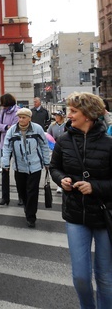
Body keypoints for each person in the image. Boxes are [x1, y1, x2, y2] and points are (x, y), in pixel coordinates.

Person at [50, 92, 112, 308]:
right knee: (81, 277)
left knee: (105, 277)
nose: (69, 115)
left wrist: (94, 187)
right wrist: (61, 180)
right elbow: (54, 167)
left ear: (88, 114)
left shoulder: (109, 143)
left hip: (105, 216)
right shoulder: (64, 140)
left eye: (74, 111)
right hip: (76, 215)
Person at [2, 108, 50, 227]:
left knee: (32, 191)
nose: (21, 120)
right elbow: (6, 147)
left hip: (35, 166)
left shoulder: (37, 129)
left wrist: (47, 162)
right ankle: (27, 207)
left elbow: (44, 145)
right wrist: (5, 163)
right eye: (19, 117)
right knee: (22, 190)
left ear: (29, 118)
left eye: (24, 117)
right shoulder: (12, 130)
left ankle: (31, 216)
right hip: (19, 166)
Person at [0, 93, 20, 206]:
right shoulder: (3, 111)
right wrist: (6, 127)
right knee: (5, 171)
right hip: (4, 145)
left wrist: (6, 128)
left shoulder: (17, 112)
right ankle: (5, 197)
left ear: (8, 103)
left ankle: (21, 197)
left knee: (19, 171)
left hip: (16, 144)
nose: (2, 107)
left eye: (3, 104)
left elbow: (15, 129)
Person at [47, 110, 66, 193]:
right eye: (55, 116)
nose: (56, 117)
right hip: (55, 146)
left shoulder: (66, 125)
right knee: (56, 165)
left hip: (65, 146)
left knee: (64, 164)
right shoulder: (52, 125)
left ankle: (64, 183)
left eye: (57, 115)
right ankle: (59, 184)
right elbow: (48, 135)